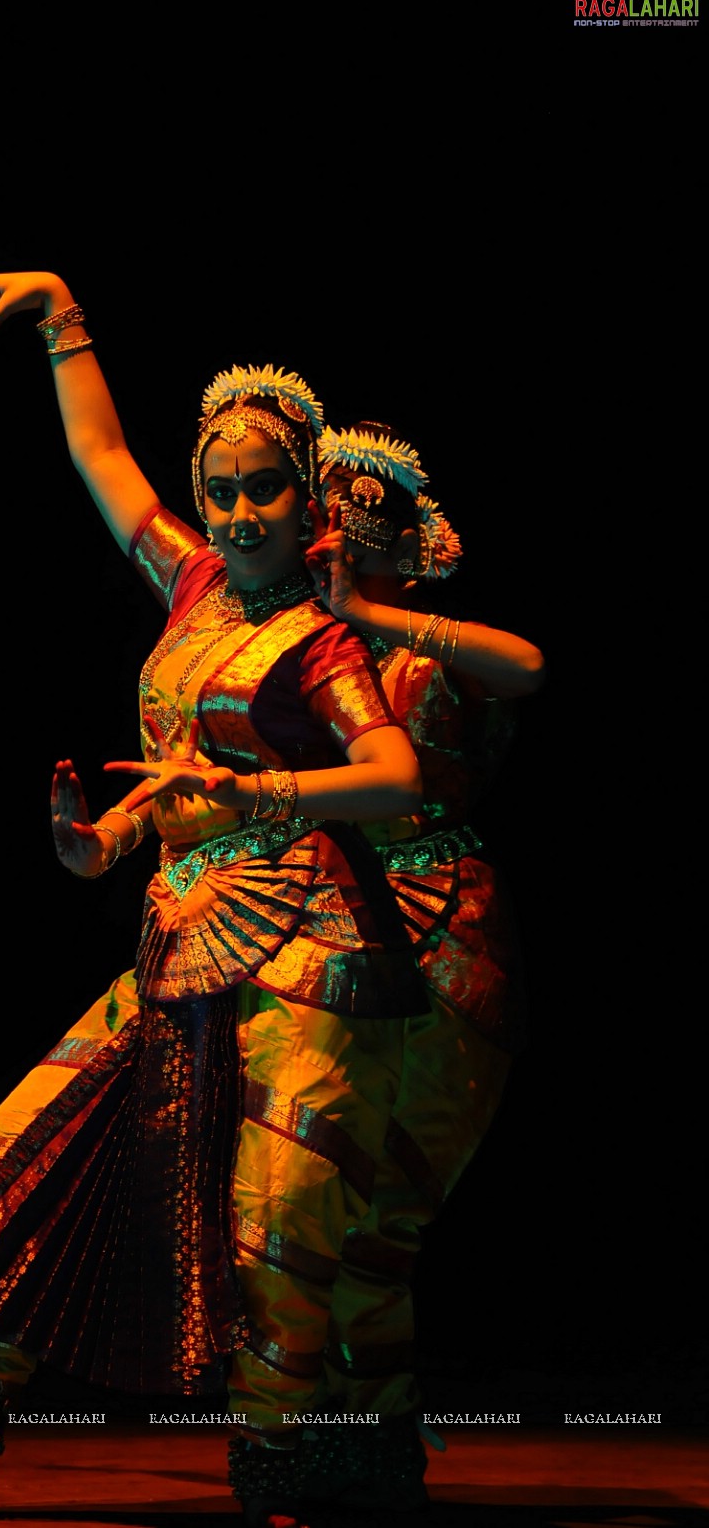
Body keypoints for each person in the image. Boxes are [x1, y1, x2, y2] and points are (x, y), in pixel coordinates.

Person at [0, 276, 433, 1523]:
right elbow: (100, 454)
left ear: (308, 497)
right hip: (179, 936)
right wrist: (62, 316)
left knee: (277, 1230)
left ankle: (277, 1485)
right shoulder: (192, 584)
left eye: (260, 487)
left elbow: (393, 773)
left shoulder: (319, 638)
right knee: (11, 1154)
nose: (232, 512)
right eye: (216, 488)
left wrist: (253, 788)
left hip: (306, 946)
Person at [304, 420, 545, 1446]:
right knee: (313, 1199)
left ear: (408, 552)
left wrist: (376, 616)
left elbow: (529, 664)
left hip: (450, 938)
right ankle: (352, 1432)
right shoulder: (313, 657)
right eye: (330, 536)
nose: (338, 553)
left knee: (382, 1219)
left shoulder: (431, 650)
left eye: (362, 541)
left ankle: (375, 1439)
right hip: (336, 929)